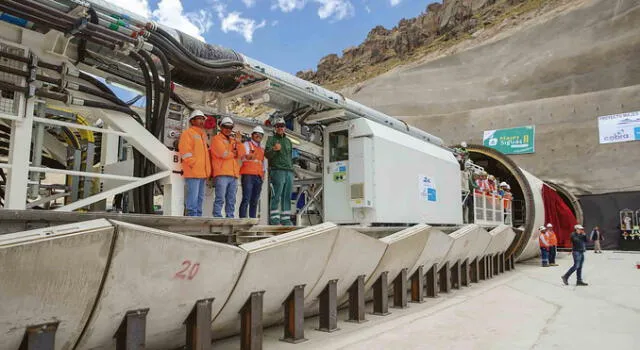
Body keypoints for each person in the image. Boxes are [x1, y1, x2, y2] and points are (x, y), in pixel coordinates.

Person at [178, 110, 211, 216]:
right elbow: (185, 151)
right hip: (193, 172)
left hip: (202, 172)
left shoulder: (202, 136)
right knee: (193, 197)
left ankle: (198, 219)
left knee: (200, 198)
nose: (202, 121)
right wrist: (193, 164)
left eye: (202, 119)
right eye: (199, 118)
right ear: (192, 121)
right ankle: (191, 218)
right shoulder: (187, 133)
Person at [265, 117, 294, 226]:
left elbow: (290, 156)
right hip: (277, 171)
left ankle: (286, 219)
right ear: (275, 128)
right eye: (278, 126)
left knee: (287, 195)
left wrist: (292, 168)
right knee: (276, 194)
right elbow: (267, 155)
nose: (280, 128)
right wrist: (274, 149)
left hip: (289, 171)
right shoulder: (271, 140)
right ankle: (275, 219)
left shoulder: (288, 141)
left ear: (285, 127)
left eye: (282, 126)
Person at [210, 116, 241, 218]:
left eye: (230, 127)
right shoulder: (216, 139)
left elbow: (241, 154)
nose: (228, 129)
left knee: (231, 199)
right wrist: (233, 153)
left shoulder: (234, 141)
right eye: (225, 127)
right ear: (221, 127)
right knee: (220, 198)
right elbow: (223, 154)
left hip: (233, 175)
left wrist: (239, 142)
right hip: (222, 174)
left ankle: (230, 217)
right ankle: (217, 216)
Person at [239, 126, 266, 218]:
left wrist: (263, 174)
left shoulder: (261, 149)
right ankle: (243, 220)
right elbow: (242, 156)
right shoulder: (247, 144)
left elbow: (262, 163)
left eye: (260, 135)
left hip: (258, 176)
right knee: (246, 198)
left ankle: (252, 220)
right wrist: (248, 156)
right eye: (256, 134)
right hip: (248, 175)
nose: (258, 136)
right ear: (252, 135)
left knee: (255, 200)